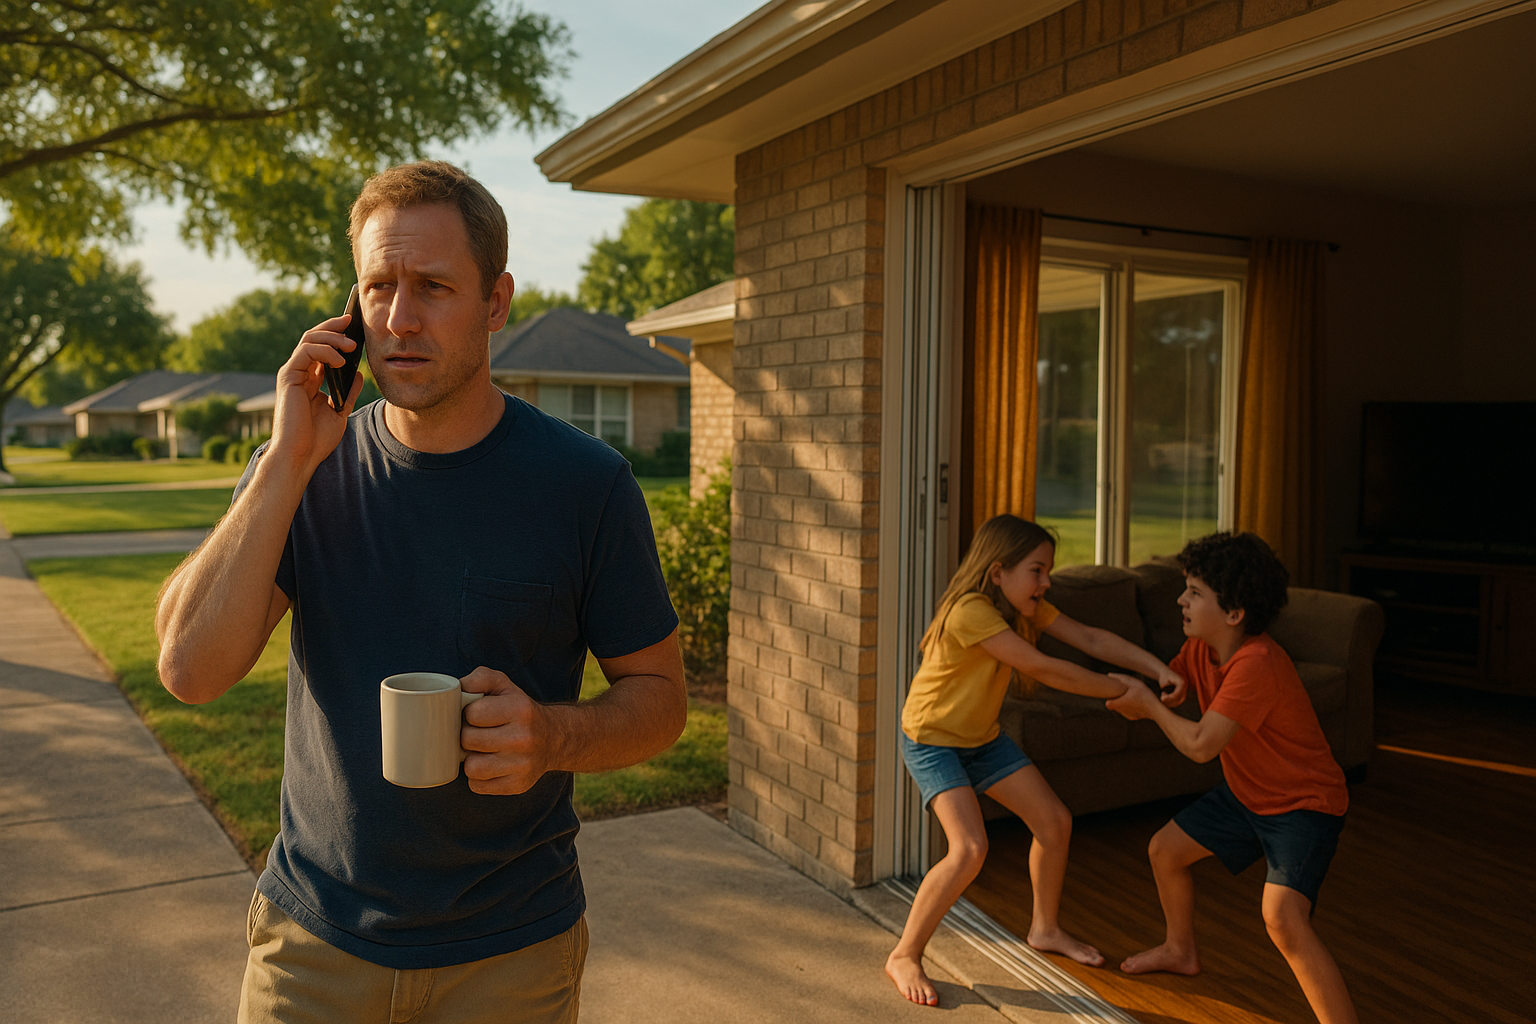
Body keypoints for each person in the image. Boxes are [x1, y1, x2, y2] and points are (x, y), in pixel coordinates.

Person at [154, 161, 687, 1024]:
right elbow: (189, 669)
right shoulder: (304, 471)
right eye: (378, 286)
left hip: (512, 954)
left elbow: (660, 700)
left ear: (496, 302)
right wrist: (286, 460)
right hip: (314, 949)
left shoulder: (586, 485)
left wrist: (553, 734)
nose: (399, 318)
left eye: (434, 286)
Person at [886, 514, 1187, 1007]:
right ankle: (905, 953)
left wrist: (1156, 670)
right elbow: (1043, 667)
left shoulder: (1023, 607)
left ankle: (1045, 929)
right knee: (968, 850)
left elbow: (1090, 639)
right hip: (933, 740)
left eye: (1048, 571)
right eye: (1038, 570)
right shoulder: (970, 610)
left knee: (1053, 821)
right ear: (998, 570)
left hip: (981, 738)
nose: (1046, 582)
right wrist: (1123, 690)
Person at [1105, 531, 1358, 1024]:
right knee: (1165, 851)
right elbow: (1178, 682)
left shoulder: (1258, 664)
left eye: (1194, 592)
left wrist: (1152, 708)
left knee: (1283, 919)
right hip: (1249, 794)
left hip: (1303, 804)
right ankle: (1181, 951)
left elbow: (1201, 745)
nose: (1181, 599)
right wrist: (1166, 685)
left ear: (1235, 612)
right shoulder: (1202, 649)